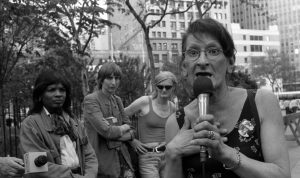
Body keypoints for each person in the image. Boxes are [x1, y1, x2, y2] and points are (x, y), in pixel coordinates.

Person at [164, 18, 290, 178]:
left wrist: (226, 154)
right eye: (193, 53)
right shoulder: (175, 122)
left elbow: (282, 174)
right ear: (184, 67)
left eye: (213, 51)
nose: (202, 61)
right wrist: (172, 154)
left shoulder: (261, 102)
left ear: (230, 62)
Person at [19, 69, 98, 178]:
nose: (58, 94)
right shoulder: (31, 124)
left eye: (62, 90)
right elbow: (37, 168)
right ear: (40, 95)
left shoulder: (73, 121)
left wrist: (89, 176)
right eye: (51, 90)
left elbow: (89, 155)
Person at [83, 62, 135, 178]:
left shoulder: (117, 100)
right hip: (102, 162)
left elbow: (131, 128)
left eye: (117, 78)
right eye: (109, 78)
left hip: (123, 159)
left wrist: (119, 132)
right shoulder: (91, 100)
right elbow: (107, 131)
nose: (113, 82)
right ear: (101, 80)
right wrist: (121, 131)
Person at [124, 71, 177, 178]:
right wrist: (132, 140)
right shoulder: (145, 102)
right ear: (155, 87)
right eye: (160, 86)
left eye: (168, 87)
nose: (164, 89)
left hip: (167, 156)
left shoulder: (173, 107)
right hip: (148, 156)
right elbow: (121, 116)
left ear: (173, 87)